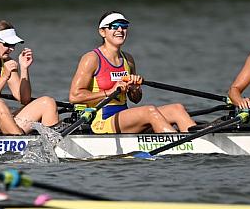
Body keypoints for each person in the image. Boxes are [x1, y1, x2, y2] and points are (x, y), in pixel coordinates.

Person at [68, 11, 196, 133]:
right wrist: (110, 92)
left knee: (177, 109)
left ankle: (199, 142)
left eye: (124, 26)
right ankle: (179, 143)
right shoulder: (91, 58)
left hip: (123, 116)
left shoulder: (128, 60)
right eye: (114, 26)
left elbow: (135, 100)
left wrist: (135, 88)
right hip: (101, 120)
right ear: (102, 32)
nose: (120, 30)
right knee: (149, 111)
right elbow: (74, 96)